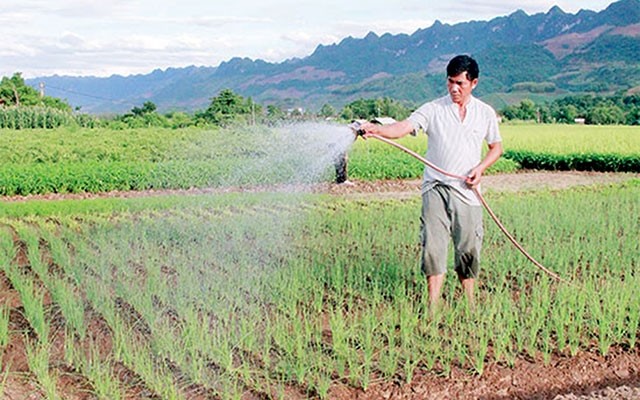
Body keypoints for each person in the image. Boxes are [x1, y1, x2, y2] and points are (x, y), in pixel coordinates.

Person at [358, 54, 503, 308]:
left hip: (468, 191)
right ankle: (433, 307)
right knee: (433, 247)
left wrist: (480, 168)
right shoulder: (433, 109)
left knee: (468, 248)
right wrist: (376, 128)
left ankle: (470, 304)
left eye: (460, 83)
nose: (454, 88)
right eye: (450, 82)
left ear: (474, 83)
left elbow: (496, 147)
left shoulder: (485, 113)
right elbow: (403, 127)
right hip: (436, 187)